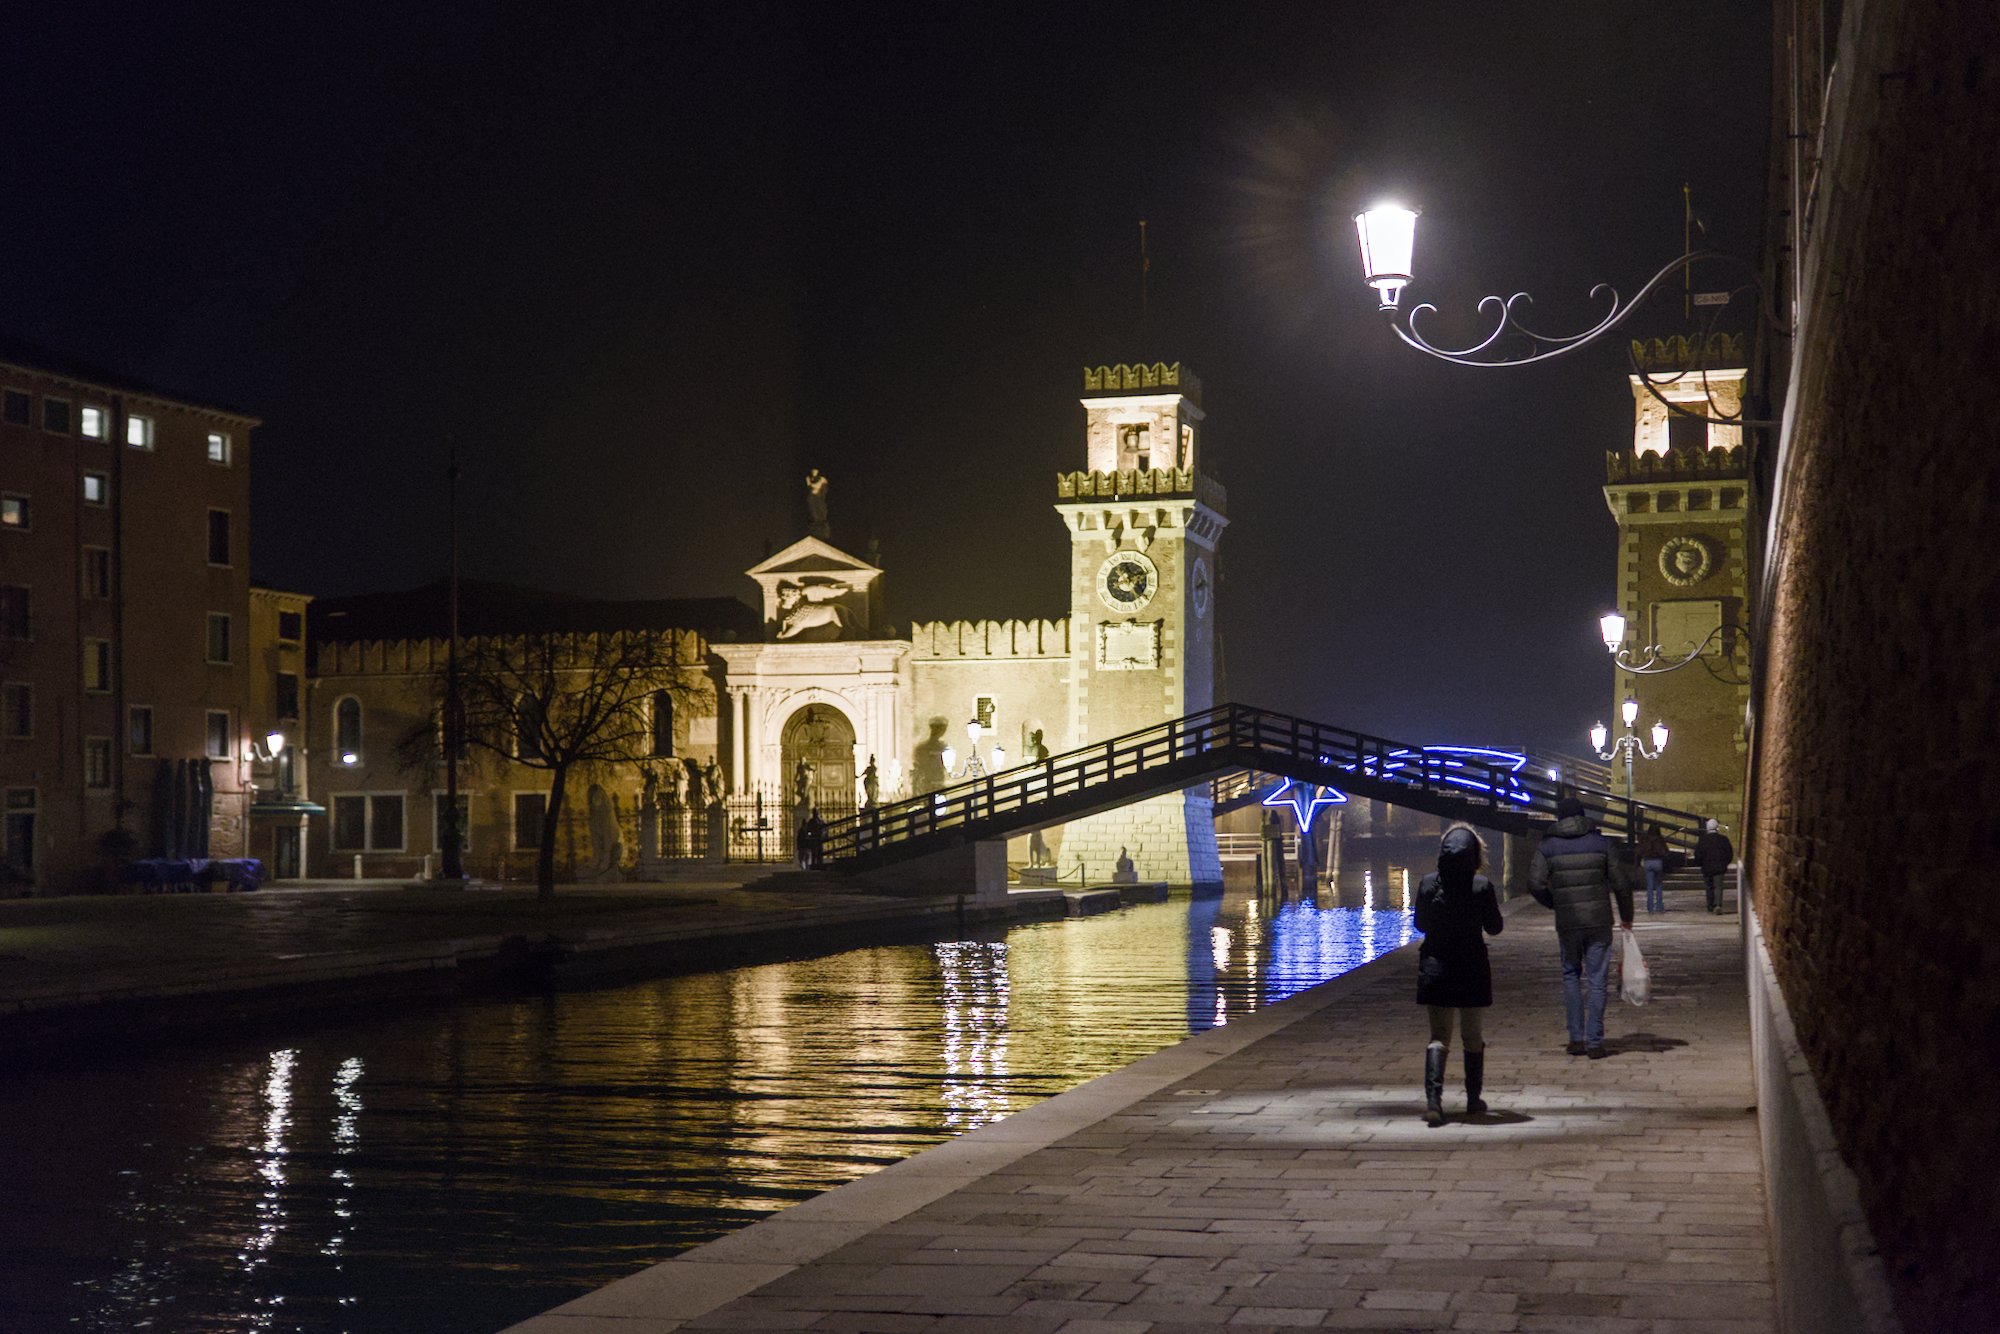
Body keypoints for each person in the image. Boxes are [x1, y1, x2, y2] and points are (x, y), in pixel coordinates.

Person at [1528, 796, 1636, 1059]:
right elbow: (1621, 883)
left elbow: (1535, 883)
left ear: (1559, 818)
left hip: (1568, 922)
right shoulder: (1602, 844)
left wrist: (1554, 903)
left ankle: (1576, 1038)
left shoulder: (1548, 846)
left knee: (1570, 975)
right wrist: (1627, 916)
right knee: (1597, 981)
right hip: (1599, 920)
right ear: (1583, 815)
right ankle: (1595, 1042)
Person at [1414, 825, 1505, 1126]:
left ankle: (1433, 1102)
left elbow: (1420, 925)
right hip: (1472, 967)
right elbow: (1494, 927)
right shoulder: (1480, 886)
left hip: (1437, 967)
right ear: (1475, 854)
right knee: (1472, 1036)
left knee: (1439, 1037)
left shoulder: (1428, 884)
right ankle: (1473, 1098)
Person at [1694, 818, 1736, 914]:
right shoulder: (1723, 839)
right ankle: (1718, 904)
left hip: (1707, 867)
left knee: (1709, 887)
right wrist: (1726, 863)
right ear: (1717, 827)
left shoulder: (1703, 840)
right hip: (1720, 867)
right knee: (1718, 886)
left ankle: (1710, 905)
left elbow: (1698, 854)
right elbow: (1729, 853)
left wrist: (1700, 864)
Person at [1637, 823, 1670, 913]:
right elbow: (1666, 852)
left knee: (1650, 886)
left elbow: (1639, 851)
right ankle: (1659, 907)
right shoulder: (1660, 840)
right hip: (1658, 862)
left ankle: (1650, 907)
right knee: (1658, 885)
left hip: (1647, 862)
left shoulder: (1644, 839)